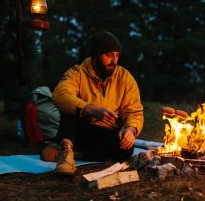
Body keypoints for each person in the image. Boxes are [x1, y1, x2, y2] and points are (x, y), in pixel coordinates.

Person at [50, 30, 144, 175]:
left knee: (125, 148)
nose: (114, 61)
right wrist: (90, 110)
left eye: (117, 55)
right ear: (95, 55)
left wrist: (130, 130)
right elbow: (60, 95)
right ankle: (66, 153)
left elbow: (134, 112)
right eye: (108, 55)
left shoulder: (124, 77)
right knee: (72, 110)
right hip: (79, 131)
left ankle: (78, 153)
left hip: (105, 134)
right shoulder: (77, 73)